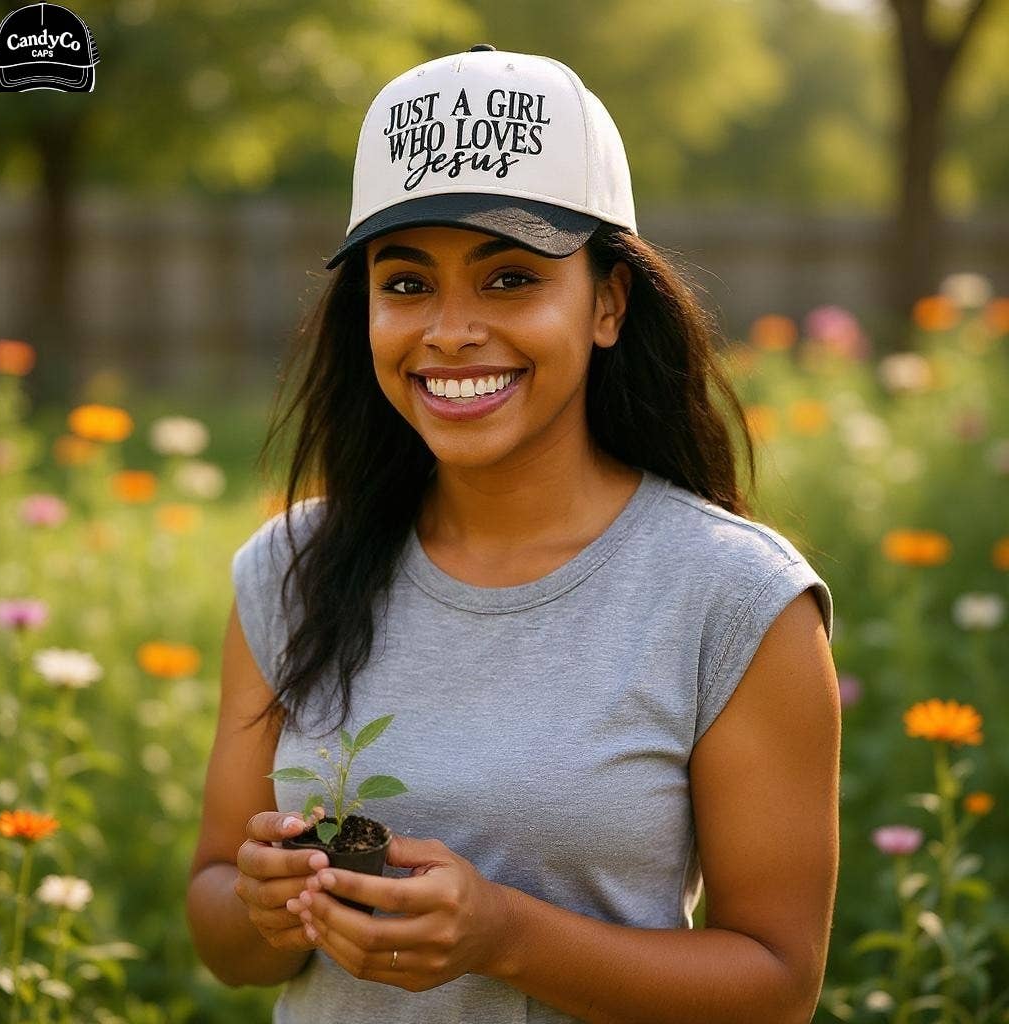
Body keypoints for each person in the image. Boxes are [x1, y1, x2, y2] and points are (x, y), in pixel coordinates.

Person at [186, 44, 840, 1024]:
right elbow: (218, 929)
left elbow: (777, 986)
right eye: (405, 284)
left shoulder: (732, 598)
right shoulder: (290, 567)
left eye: (508, 279)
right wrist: (265, 906)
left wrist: (504, 936)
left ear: (607, 303)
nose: (449, 331)